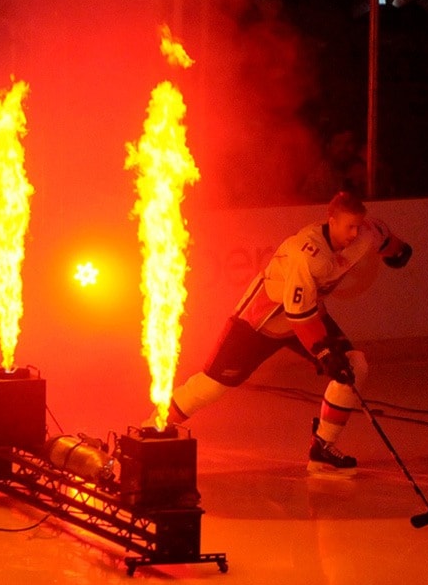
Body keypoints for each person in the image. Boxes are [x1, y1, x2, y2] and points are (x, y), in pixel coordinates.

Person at [147, 191, 413, 473]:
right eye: (349, 226)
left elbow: (385, 238)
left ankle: (322, 447)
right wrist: (323, 353)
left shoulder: (367, 233)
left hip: (308, 311)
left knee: (354, 365)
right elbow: (298, 315)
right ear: (331, 220)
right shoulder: (306, 253)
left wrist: (399, 252)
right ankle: (154, 425)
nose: (354, 233)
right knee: (212, 385)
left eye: (358, 225)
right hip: (261, 321)